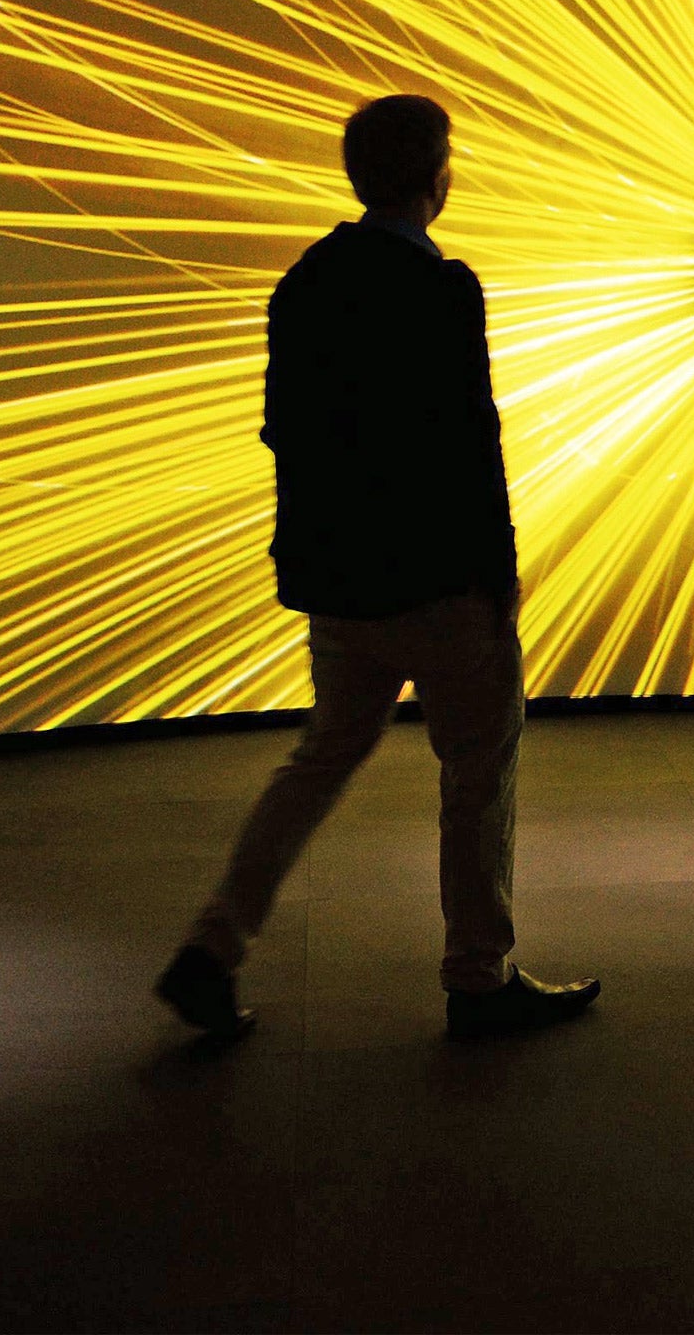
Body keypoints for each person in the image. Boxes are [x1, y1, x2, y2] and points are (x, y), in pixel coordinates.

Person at [156, 94, 599, 1042]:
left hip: (344, 585)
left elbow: (285, 433)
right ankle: (477, 976)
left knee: (321, 759)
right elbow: (471, 450)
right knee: (478, 768)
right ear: (437, 177)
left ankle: (214, 945)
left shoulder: (305, 282)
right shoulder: (445, 291)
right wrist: (499, 579)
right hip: (440, 584)